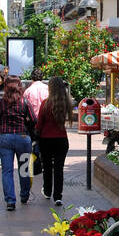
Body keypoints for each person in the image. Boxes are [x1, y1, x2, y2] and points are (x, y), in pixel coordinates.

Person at [0, 75, 35, 211]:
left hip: (5, 138)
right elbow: (34, 120)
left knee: (7, 171)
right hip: (22, 137)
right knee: (24, 169)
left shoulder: (1, 103)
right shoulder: (24, 102)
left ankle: (10, 200)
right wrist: (26, 125)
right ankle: (24, 195)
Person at [36, 76, 72, 206]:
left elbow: (39, 124)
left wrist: (36, 136)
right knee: (59, 168)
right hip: (61, 139)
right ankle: (58, 196)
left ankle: (47, 191)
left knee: (47, 167)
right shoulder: (66, 103)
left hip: (46, 139)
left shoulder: (45, 104)